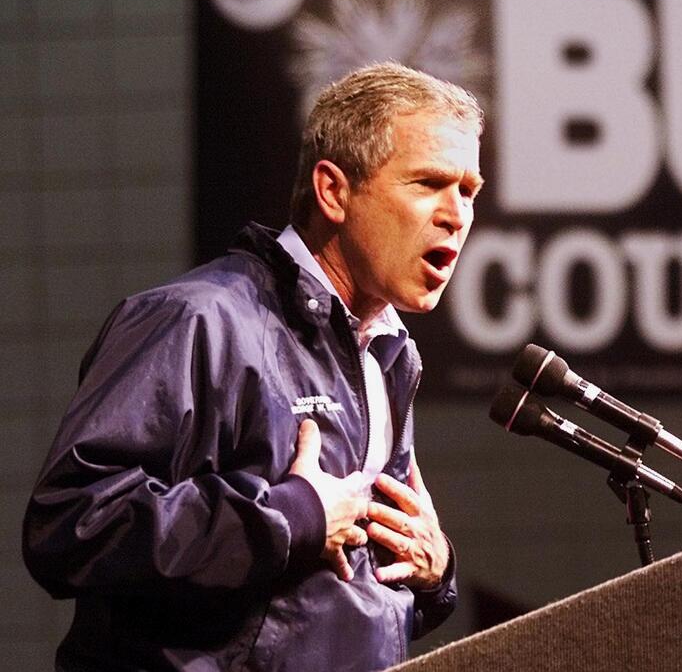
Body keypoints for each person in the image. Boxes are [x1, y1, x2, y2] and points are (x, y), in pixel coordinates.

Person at [22, 62, 484, 670]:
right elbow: (72, 525)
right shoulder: (197, 320)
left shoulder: (391, 352)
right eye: (428, 183)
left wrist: (431, 571)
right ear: (334, 191)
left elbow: (317, 594)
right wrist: (290, 516)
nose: (456, 215)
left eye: (469, 192)